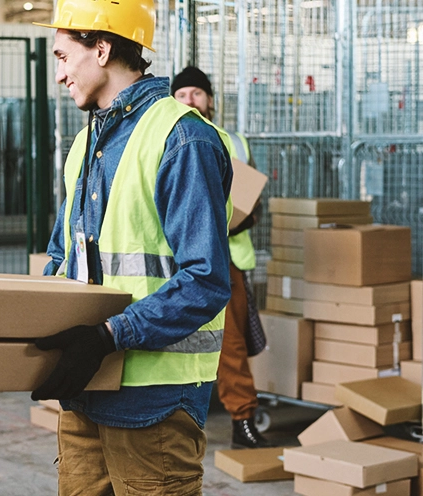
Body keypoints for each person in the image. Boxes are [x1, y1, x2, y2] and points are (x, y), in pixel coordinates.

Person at [31, 0, 234, 494]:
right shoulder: (84, 145)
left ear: (100, 49)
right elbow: (63, 258)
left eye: (62, 56)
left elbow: (206, 279)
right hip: (85, 392)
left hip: (154, 403)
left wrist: (105, 336)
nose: (59, 75)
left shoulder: (182, 139)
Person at [171, 65, 272, 449]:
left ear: (210, 100)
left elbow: (250, 195)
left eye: (197, 93)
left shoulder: (235, 141)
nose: (190, 100)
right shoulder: (168, 138)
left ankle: (242, 420)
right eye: (182, 94)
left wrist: (242, 217)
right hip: (183, 258)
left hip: (229, 258)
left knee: (231, 343)